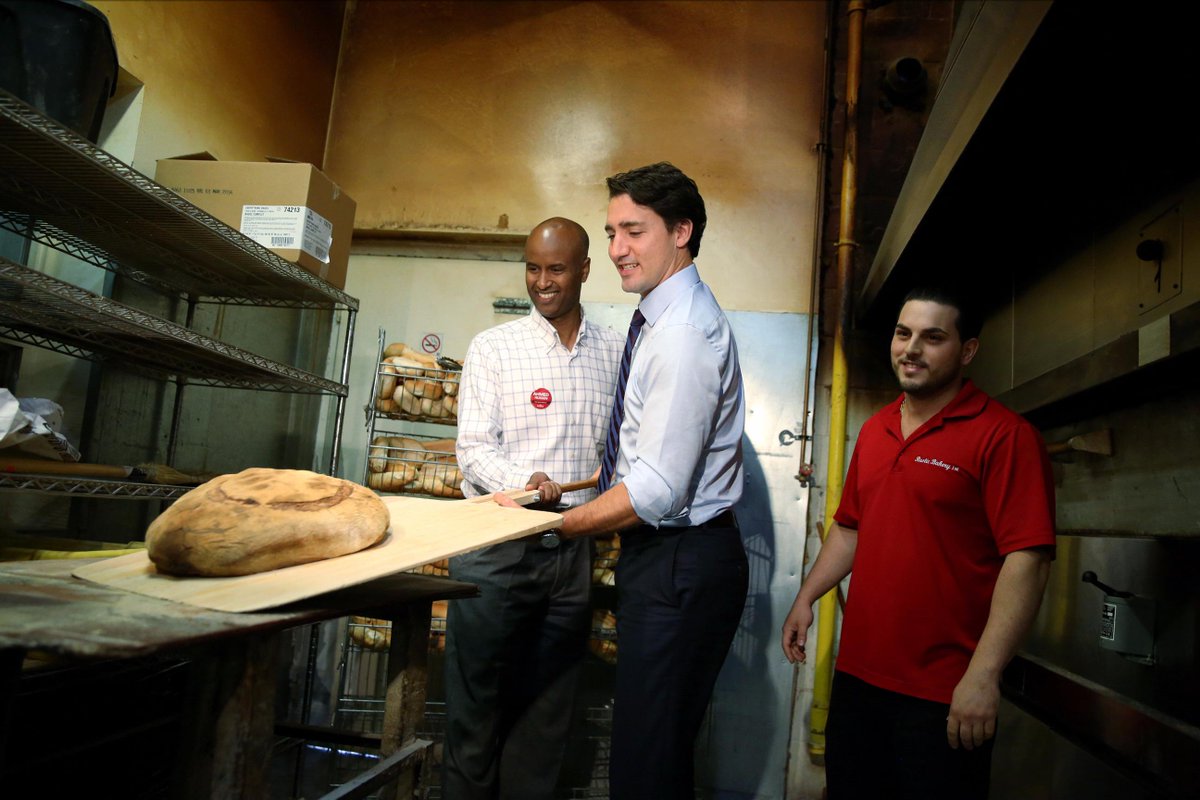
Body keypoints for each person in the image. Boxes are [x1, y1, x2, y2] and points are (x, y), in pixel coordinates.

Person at [498, 162, 749, 799]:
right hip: (669, 560)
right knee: (652, 754)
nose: (615, 250)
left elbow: (657, 491)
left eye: (633, 231)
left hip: (680, 561)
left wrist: (555, 526)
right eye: (611, 232)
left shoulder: (682, 335)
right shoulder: (662, 321)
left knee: (646, 766)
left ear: (682, 231)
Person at [781, 285, 1057, 799]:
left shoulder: (1004, 435)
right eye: (903, 333)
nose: (911, 349)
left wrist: (983, 676)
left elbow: (1029, 560)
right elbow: (850, 527)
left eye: (933, 338)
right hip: (859, 682)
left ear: (967, 350)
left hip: (945, 694)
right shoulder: (877, 429)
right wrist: (806, 596)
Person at [443, 217, 624, 800]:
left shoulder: (615, 355)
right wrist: (527, 480)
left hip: (570, 550)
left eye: (556, 269)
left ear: (584, 271)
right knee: (476, 710)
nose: (542, 282)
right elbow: (472, 450)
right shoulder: (495, 348)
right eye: (532, 268)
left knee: (548, 714)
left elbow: (620, 448)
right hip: (496, 549)